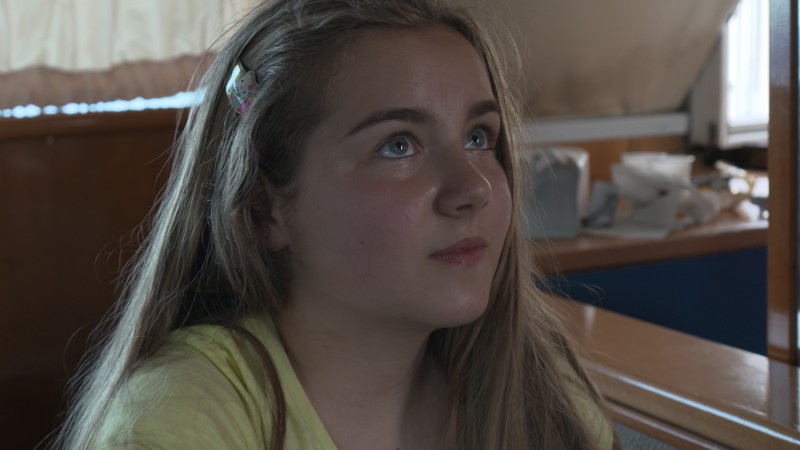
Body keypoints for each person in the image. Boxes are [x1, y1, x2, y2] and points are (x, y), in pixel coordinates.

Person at [55, 0, 618, 448]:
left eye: (478, 137)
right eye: (398, 145)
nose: (473, 189)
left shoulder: (540, 393)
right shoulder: (179, 419)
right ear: (265, 209)